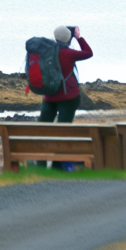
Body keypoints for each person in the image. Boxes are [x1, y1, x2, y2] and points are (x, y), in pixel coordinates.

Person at [38, 25, 93, 169]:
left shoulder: (46, 53)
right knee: (63, 130)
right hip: (69, 97)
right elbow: (88, 53)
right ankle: (58, 165)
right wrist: (79, 38)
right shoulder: (70, 53)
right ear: (69, 38)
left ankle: (40, 164)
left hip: (49, 97)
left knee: (42, 129)